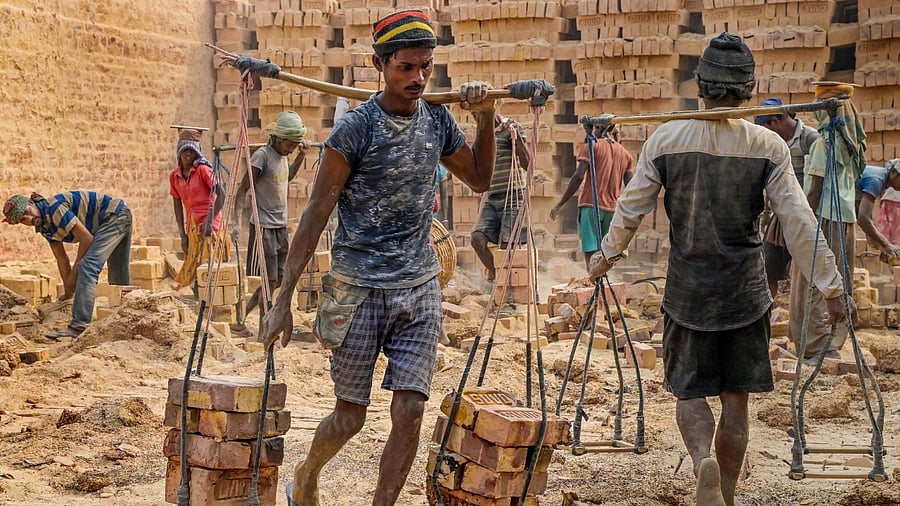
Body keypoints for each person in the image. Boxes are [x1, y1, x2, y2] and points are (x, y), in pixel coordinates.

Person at [588, 33, 855, 506]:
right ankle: (726, 492)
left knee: (690, 395)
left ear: (700, 85)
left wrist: (605, 256)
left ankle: (699, 463)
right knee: (737, 402)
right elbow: (798, 222)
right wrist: (831, 286)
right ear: (749, 89)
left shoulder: (666, 137)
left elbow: (631, 208)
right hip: (745, 294)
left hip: (688, 291)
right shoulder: (768, 146)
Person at [258, 10, 496, 505]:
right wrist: (282, 301)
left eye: (425, 67)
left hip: (419, 285)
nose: (418, 78)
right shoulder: (356, 131)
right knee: (350, 415)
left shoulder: (437, 121)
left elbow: (478, 179)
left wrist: (486, 118)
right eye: (405, 67)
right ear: (379, 64)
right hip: (357, 288)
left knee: (410, 411)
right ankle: (306, 473)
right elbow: (315, 215)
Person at [789, 81, 866, 362]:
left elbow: (816, 191)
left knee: (812, 281)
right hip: (845, 217)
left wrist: (799, 223)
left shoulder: (824, 144)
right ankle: (833, 340)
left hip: (823, 218)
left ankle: (814, 345)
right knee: (840, 277)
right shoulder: (852, 142)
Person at [3, 191, 132, 339]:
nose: (29, 219)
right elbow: (61, 259)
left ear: (31, 203)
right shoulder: (45, 227)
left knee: (87, 266)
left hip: (114, 216)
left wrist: (73, 274)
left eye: (27, 212)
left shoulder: (54, 208)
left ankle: (78, 326)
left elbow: (87, 240)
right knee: (118, 275)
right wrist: (68, 291)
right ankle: (128, 314)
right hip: (114, 217)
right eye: (22, 220)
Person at [234, 111, 308, 332]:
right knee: (268, 280)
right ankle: (263, 330)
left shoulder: (284, 158)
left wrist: (301, 158)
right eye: (289, 143)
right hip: (263, 226)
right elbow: (242, 189)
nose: (292, 148)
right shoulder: (262, 156)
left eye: (295, 144)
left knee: (280, 278)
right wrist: (235, 221)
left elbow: (287, 178)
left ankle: (242, 316)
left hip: (280, 226)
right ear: (278, 137)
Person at [754, 97, 820, 297]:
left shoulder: (811, 139)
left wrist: (805, 219)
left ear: (774, 122)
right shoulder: (773, 144)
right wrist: (767, 212)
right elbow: (767, 178)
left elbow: (818, 185)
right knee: (769, 267)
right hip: (781, 216)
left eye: (767, 129)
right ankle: (768, 312)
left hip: (807, 214)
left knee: (806, 271)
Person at [550, 123, 634, 270]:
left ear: (601, 129)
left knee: (591, 250)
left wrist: (560, 203)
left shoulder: (592, 146)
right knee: (605, 252)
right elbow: (631, 187)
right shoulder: (626, 155)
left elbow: (578, 176)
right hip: (611, 210)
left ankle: (594, 282)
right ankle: (603, 281)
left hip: (591, 206)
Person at [470, 111, 531, 293]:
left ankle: (509, 294)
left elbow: (527, 163)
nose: (475, 116)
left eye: (478, 112)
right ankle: (496, 275)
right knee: (477, 239)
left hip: (512, 195)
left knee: (507, 247)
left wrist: (516, 139)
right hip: (492, 196)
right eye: (473, 113)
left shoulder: (512, 127)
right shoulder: (484, 134)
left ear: (492, 109)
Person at [169, 129, 230, 290]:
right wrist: (183, 234)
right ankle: (199, 302)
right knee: (195, 267)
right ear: (179, 151)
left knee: (209, 267)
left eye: (191, 150)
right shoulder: (175, 176)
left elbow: (221, 194)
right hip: (193, 225)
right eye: (184, 150)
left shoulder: (203, 170)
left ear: (197, 152)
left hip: (211, 224)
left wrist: (209, 221)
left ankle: (211, 305)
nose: (187, 154)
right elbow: (177, 205)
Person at [856, 160, 900, 261]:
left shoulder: (881, 178)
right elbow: (863, 219)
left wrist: (879, 244)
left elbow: (863, 213)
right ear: (894, 173)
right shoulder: (876, 180)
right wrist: (886, 244)